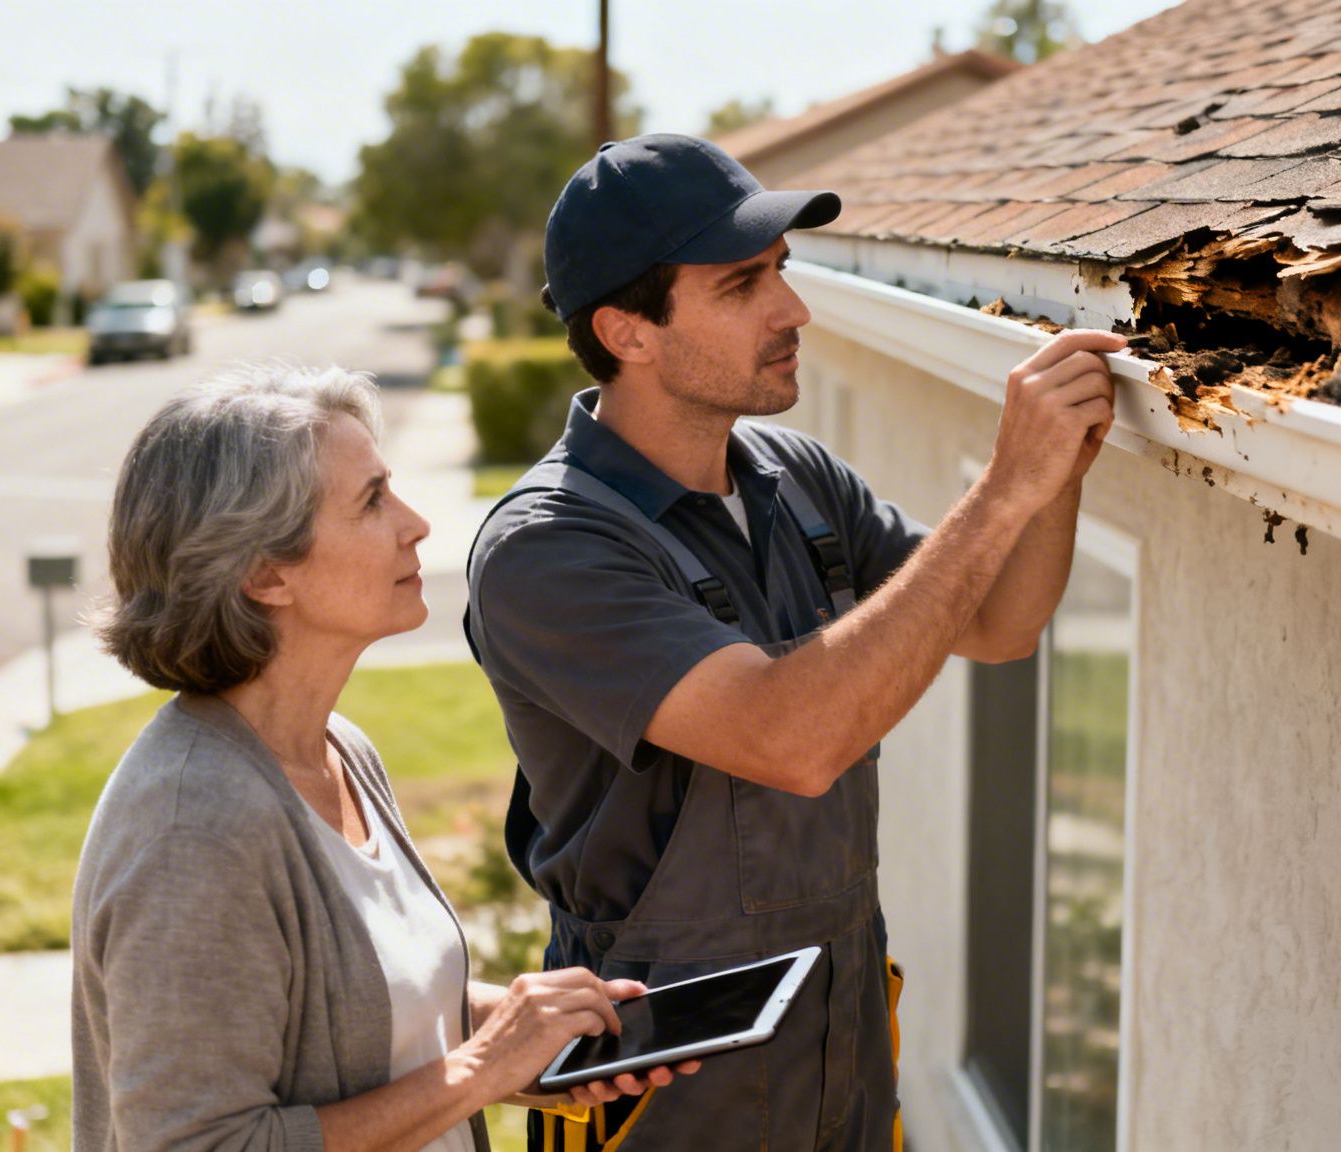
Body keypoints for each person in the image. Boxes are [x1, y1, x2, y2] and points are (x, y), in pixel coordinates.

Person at [463, 134, 1126, 1150]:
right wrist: (1002, 492)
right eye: (741, 286)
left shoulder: (795, 477)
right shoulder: (549, 549)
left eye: (780, 269)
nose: (793, 310)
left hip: (840, 1051)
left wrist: (1055, 474)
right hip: (667, 1092)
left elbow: (998, 623)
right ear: (626, 332)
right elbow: (790, 739)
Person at [71, 364, 694, 1152]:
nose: (416, 524)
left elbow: (378, 1019)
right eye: (371, 501)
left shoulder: (341, 750)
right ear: (265, 573)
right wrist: (483, 1067)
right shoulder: (193, 828)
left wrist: (543, 1032)